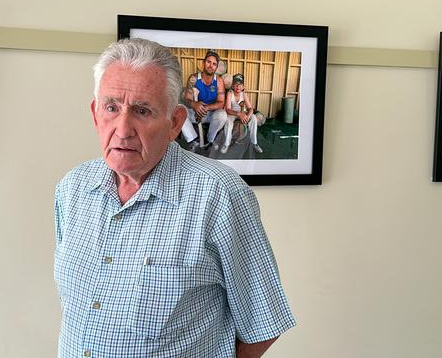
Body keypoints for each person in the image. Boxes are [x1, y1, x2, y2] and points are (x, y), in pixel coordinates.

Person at [54, 38, 295, 358]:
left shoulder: (219, 194)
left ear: (175, 123)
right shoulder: (72, 190)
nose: (123, 129)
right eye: (112, 107)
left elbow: (263, 322)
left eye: (142, 111)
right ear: (96, 114)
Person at [180, 50, 228, 151]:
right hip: (195, 113)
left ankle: (210, 140)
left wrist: (205, 108)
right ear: (203, 63)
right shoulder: (193, 78)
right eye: (208, 62)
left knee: (222, 115)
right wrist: (194, 104)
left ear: (216, 67)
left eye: (214, 64)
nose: (211, 65)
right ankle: (193, 140)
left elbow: (221, 102)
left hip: (210, 113)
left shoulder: (219, 81)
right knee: (179, 109)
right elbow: (187, 99)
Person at [221, 73, 263, 154]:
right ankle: (226, 144)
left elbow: (250, 108)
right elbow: (228, 109)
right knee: (228, 123)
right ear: (232, 86)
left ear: (243, 86)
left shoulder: (244, 94)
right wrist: (239, 114)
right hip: (233, 114)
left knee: (254, 118)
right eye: (236, 85)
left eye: (240, 85)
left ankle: (254, 143)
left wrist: (248, 116)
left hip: (243, 113)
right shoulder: (230, 93)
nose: (238, 87)